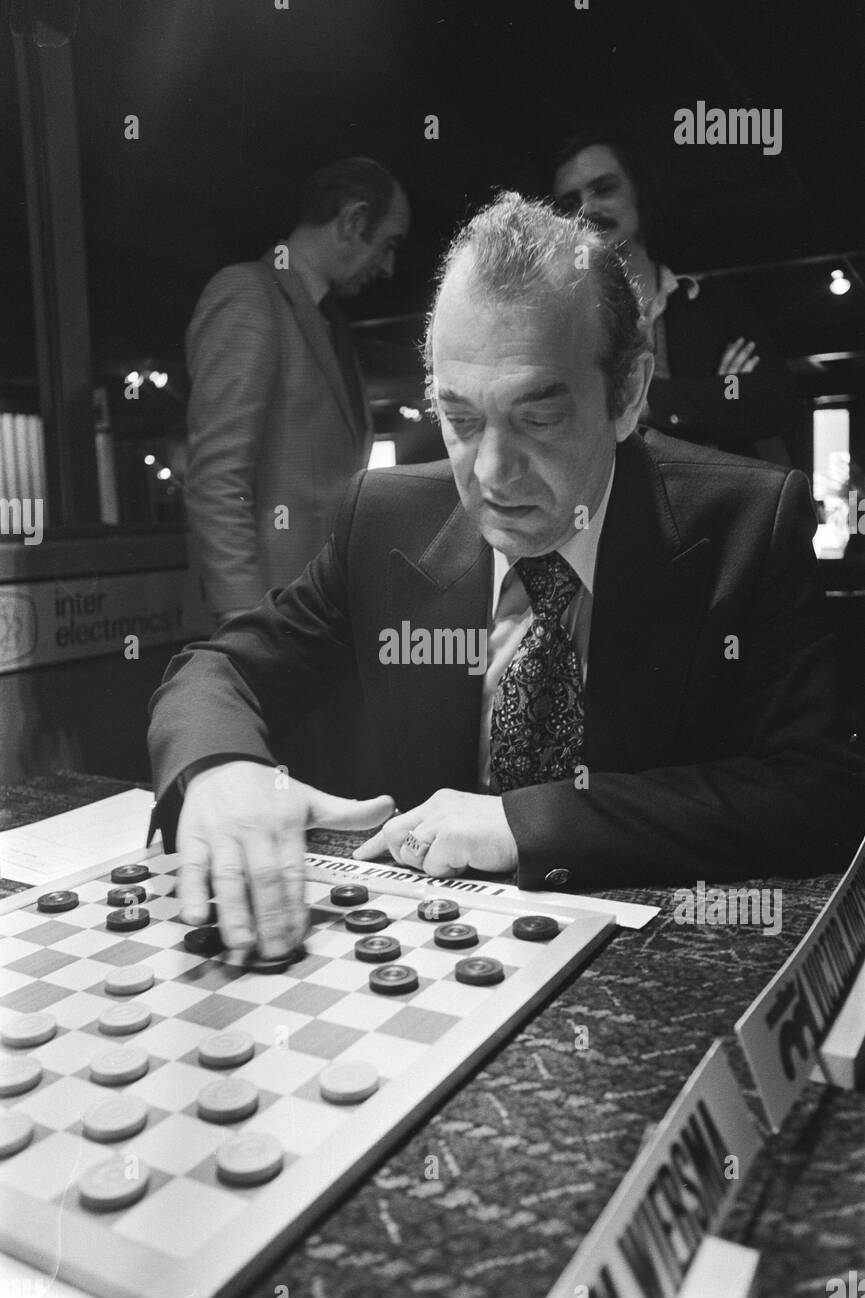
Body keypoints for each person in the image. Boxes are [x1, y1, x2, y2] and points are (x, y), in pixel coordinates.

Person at [148, 193, 864, 961]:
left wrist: (532, 821)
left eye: (538, 417)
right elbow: (220, 669)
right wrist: (222, 769)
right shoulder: (386, 518)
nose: (490, 475)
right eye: (459, 419)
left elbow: (817, 791)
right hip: (421, 975)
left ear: (625, 395)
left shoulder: (746, 520)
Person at [183, 157, 411, 625]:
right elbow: (217, 480)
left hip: (322, 620)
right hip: (271, 625)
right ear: (353, 221)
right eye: (388, 245)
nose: (388, 267)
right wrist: (244, 629)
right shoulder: (248, 294)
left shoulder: (328, 322)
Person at [550, 132, 796, 460]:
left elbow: (773, 402)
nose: (586, 210)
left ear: (638, 191)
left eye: (604, 188)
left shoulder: (711, 303)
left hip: (715, 504)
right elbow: (561, 424)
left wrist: (647, 404)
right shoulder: (557, 320)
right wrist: (716, 393)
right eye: (569, 204)